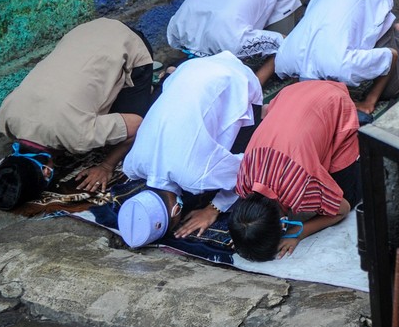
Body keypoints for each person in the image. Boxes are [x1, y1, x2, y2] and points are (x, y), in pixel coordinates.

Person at [74, 51, 263, 248]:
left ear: (175, 212)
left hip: (237, 79)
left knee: (245, 148)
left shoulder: (196, 178)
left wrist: (213, 209)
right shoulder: (132, 166)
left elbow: (249, 169)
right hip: (189, 69)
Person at [0, 18, 155, 211]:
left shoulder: (78, 138)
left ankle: (163, 83)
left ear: (46, 171)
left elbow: (136, 124)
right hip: (86, 30)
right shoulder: (6, 118)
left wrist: (106, 167)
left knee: (135, 117)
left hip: (129, 42)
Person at [228, 80, 361, 261]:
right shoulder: (244, 182)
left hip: (334, 102)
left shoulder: (300, 189)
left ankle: (363, 131)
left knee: (349, 197)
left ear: (284, 223)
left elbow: (342, 209)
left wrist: (297, 233)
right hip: (291, 93)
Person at [273, 0, 399, 119]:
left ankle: (396, 33)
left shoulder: (342, 67)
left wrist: (369, 102)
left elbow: (391, 55)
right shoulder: (284, 62)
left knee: (390, 91)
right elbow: (296, 79)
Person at [166, 0, 303, 85]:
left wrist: (255, 84)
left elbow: (285, 43)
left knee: (282, 51)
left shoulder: (234, 42)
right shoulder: (178, 27)